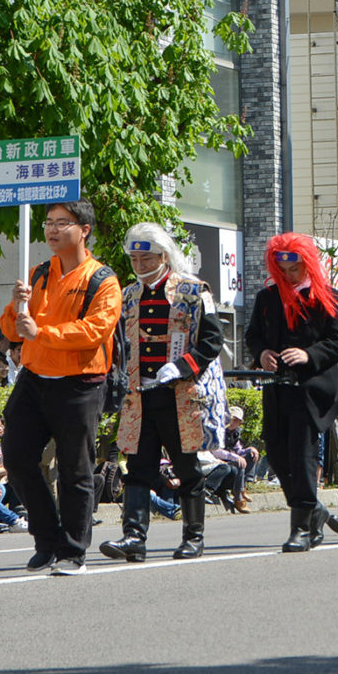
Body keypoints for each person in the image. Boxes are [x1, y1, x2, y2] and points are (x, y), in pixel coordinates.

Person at [0, 199, 122, 575]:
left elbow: (94, 332)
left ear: (84, 230)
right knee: (17, 457)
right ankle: (47, 538)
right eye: (49, 223)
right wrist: (16, 309)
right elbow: (10, 331)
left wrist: (42, 332)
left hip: (80, 383)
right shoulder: (38, 273)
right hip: (35, 380)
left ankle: (72, 550)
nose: (52, 230)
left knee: (75, 469)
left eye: (62, 223)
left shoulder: (103, 280)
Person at [100, 223, 230, 563]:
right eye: (134, 259)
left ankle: (193, 537)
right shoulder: (127, 295)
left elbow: (212, 341)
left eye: (146, 258)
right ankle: (134, 537)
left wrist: (185, 365)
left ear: (163, 256)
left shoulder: (194, 290)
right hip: (138, 397)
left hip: (179, 395)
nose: (140, 266)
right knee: (138, 468)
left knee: (187, 468)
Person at [245, 232, 338, 550]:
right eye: (281, 267)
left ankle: (301, 529)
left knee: (303, 454)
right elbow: (252, 335)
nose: (287, 274)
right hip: (277, 386)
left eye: (294, 267)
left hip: (310, 389)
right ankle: (313, 509)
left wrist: (309, 355)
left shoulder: (327, 295)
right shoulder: (267, 297)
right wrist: (262, 353)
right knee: (277, 451)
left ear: (307, 264)